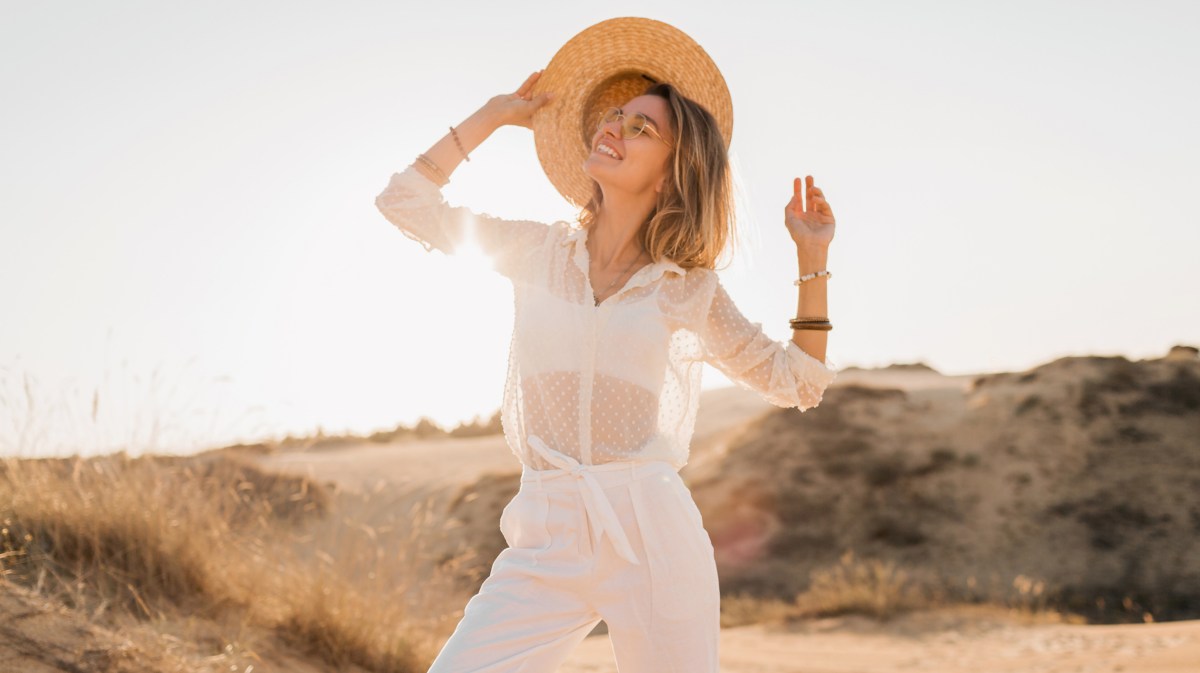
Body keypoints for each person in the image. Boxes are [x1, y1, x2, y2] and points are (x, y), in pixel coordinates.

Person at [375, 68, 838, 672]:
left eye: (641, 126)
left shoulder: (684, 288)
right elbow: (403, 203)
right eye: (614, 117)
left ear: (673, 173)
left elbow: (797, 381)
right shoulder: (537, 252)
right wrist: (491, 116)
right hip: (546, 534)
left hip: (650, 533)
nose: (615, 128)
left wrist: (813, 258)